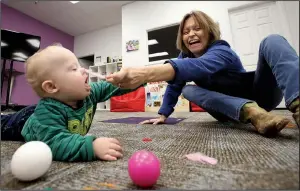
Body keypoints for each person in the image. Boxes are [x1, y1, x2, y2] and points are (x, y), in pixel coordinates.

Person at [106, 10, 299, 137]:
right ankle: (253, 114)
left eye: (197, 28)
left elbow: (198, 66)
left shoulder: (222, 49)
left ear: (209, 31)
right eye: (186, 31)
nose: (191, 34)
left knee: (272, 40)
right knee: (188, 90)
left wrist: (144, 73)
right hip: (228, 111)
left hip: (261, 95)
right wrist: (163, 114)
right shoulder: (184, 56)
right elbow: (175, 86)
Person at [1, 43, 137, 162]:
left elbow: (112, 87)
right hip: (21, 121)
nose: (84, 69)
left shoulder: (88, 94)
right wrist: (92, 147)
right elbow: (55, 143)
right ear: (52, 87)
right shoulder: (47, 112)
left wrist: (140, 77)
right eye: (74, 68)